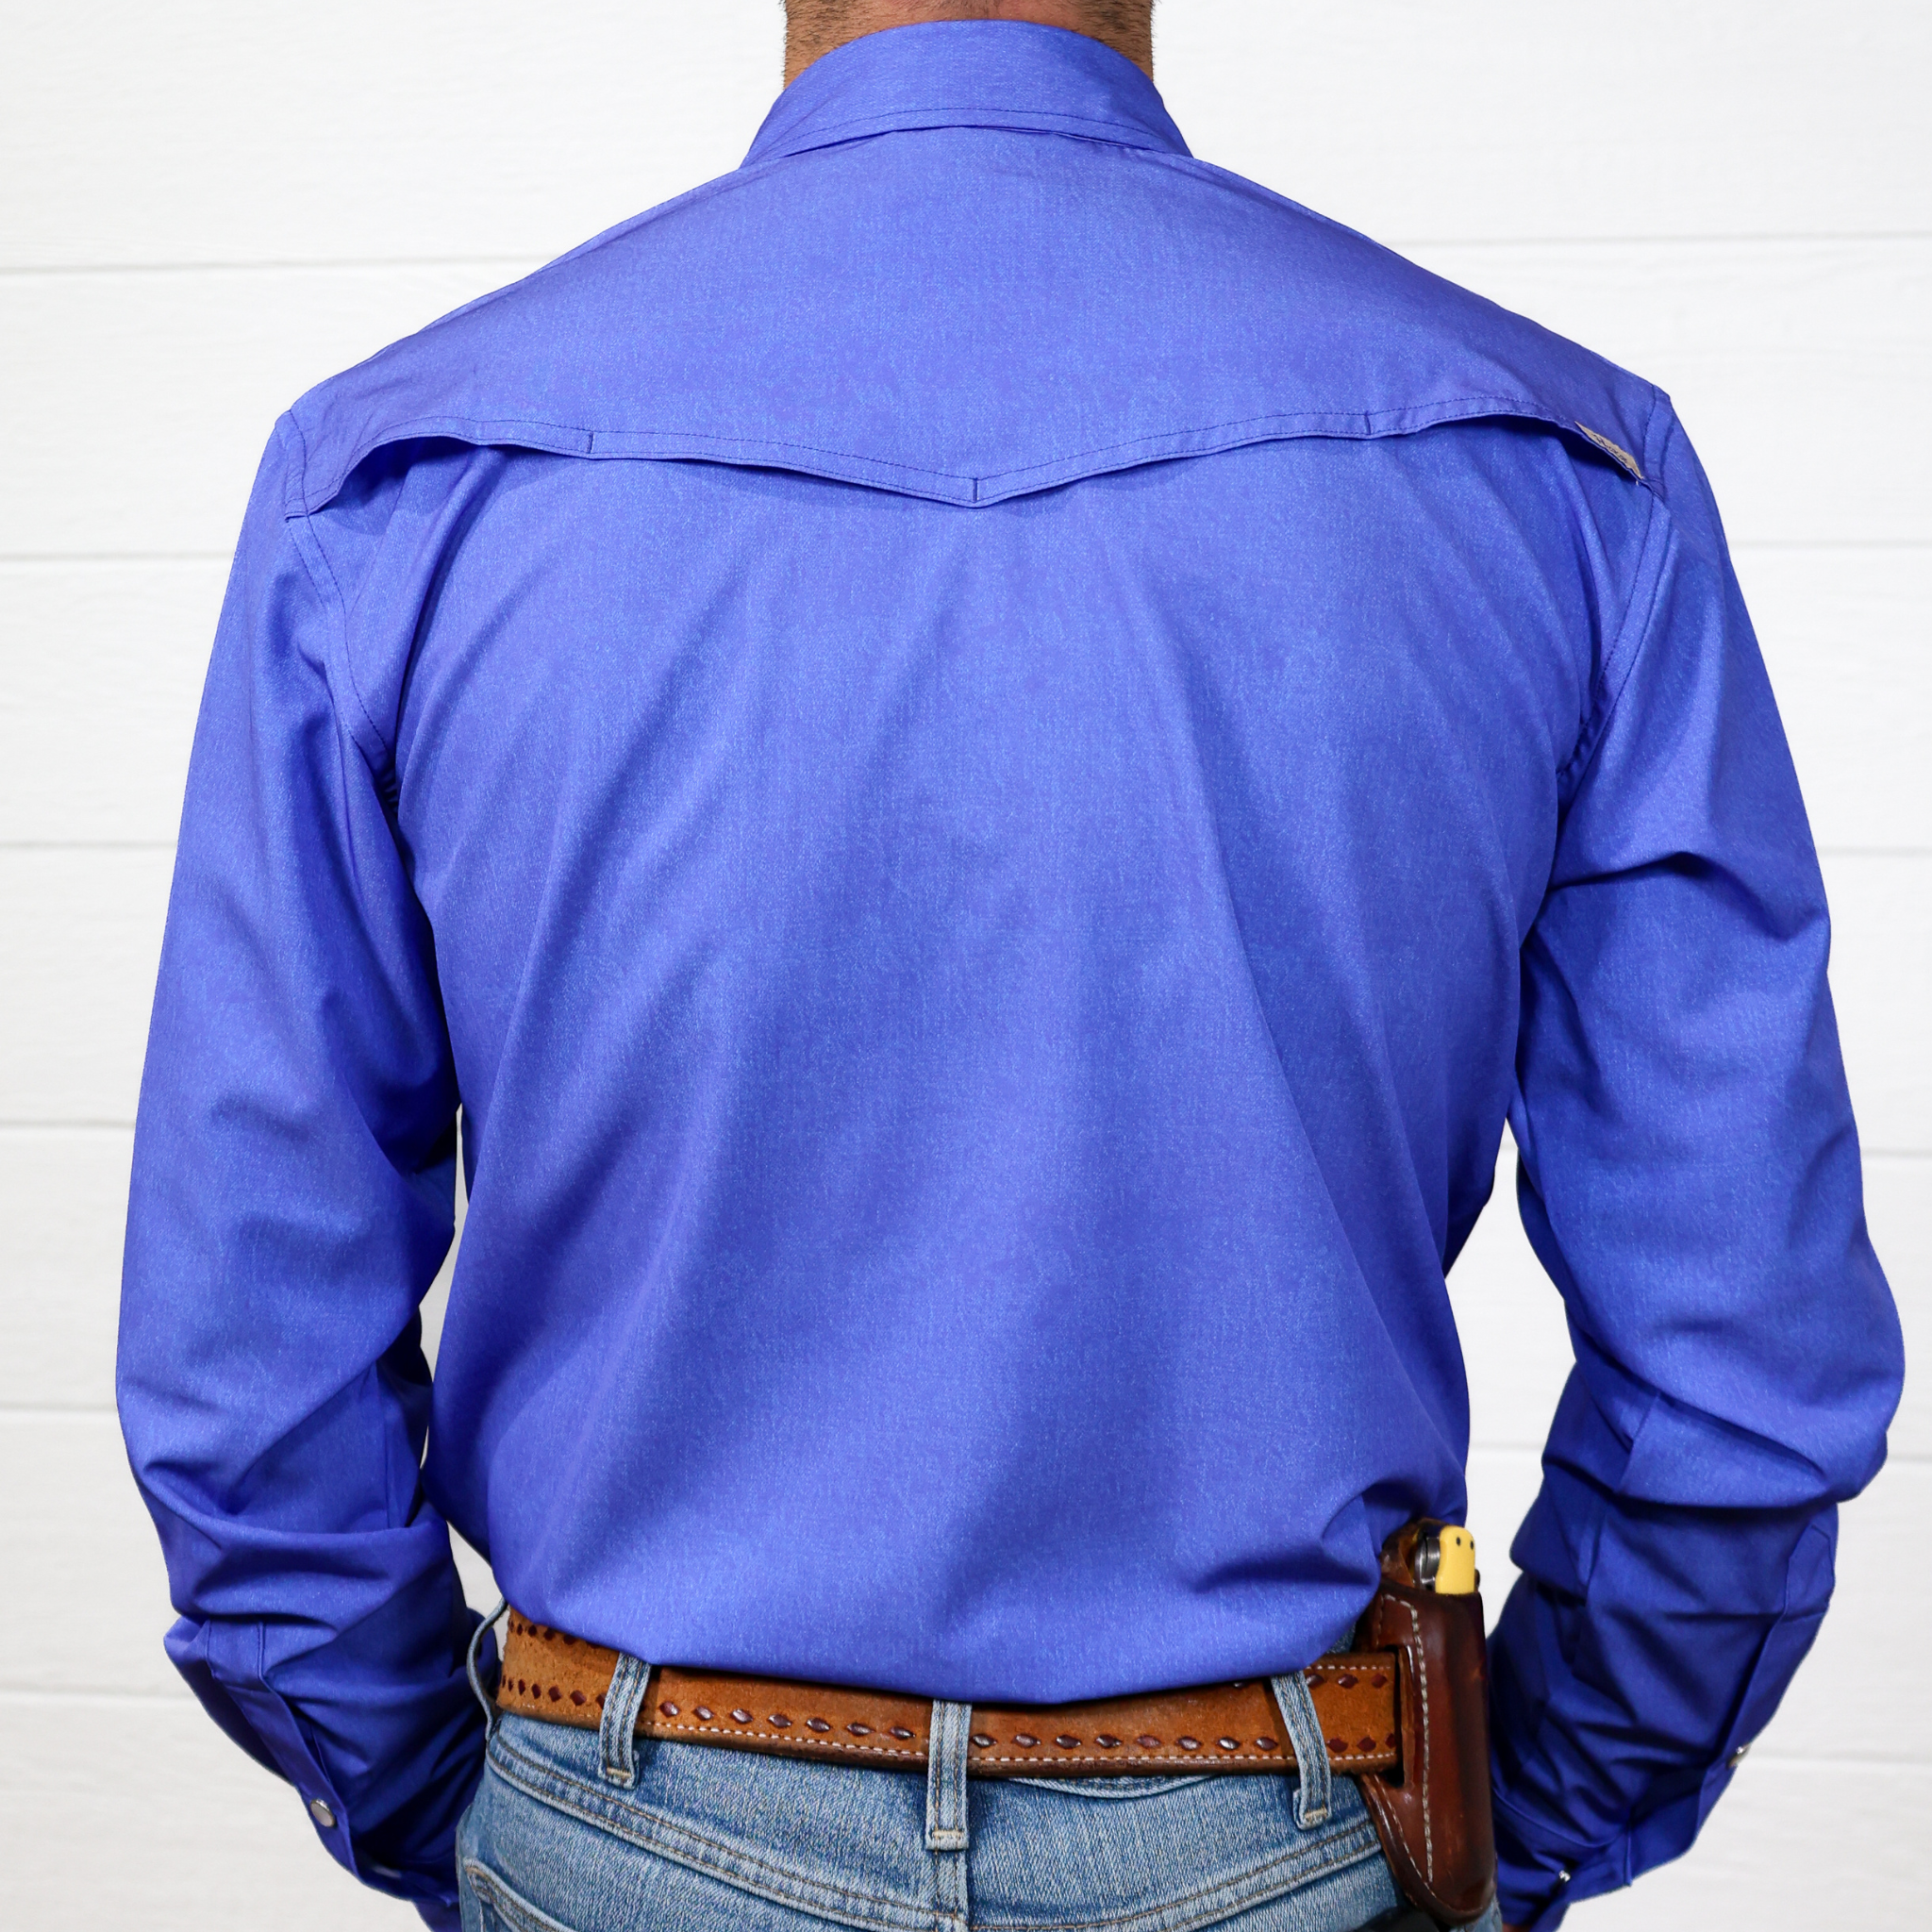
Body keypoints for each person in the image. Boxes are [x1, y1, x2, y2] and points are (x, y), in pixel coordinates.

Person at [117, 4, 1903, 1930]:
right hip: (1280, 1843)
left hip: (621, 1825)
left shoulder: (397, 483)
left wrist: (461, 1812)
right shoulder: (1556, 470)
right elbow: (1737, 1376)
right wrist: (1515, 1826)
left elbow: (249, 1380)